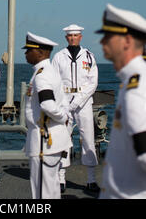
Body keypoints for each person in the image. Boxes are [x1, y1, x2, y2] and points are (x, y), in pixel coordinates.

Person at [97, 3, 146, 199]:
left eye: (108, 36)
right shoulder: (132, 80)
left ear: (126, 40)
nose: (102, 42)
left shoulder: (137, 87)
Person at [23, 31, 72, 199]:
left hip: (44, 141)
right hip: (50, 139)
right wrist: (64, 116)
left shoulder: (42, 76)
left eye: (28, 50)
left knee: (43, 191)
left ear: (39, 53)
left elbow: (47, 104)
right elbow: (64, 101)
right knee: (50, 188)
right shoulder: (49, 71)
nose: (25, 53)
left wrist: (63, 117)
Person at [51, 24, 99, 193]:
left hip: (83, 102)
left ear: (80, 37)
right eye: (69, 36)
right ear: (66, 38)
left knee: (88, 139)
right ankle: (61, 178)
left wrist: (78, 101)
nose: (72, 38)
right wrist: (62, 103)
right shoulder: (58, 57)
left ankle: (91, 179)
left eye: (75, 35)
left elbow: (92, 82)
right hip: (64, 101)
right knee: (62, 139)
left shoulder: (89, 56)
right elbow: (54, 81)